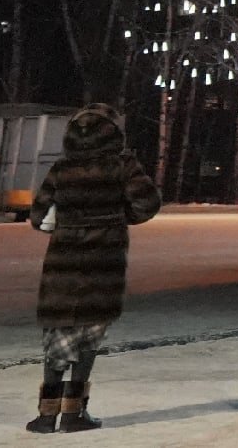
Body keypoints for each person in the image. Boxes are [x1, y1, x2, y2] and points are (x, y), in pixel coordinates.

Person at [24, 103, 160, 432]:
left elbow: (38, 217)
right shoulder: (122, 166)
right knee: (89, 336)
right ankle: (74, 413)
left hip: (63, 263)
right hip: (104, 261)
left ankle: (46, 415)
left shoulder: (61, 168)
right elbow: (148, 202)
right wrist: (117, 218)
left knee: (58, 335)